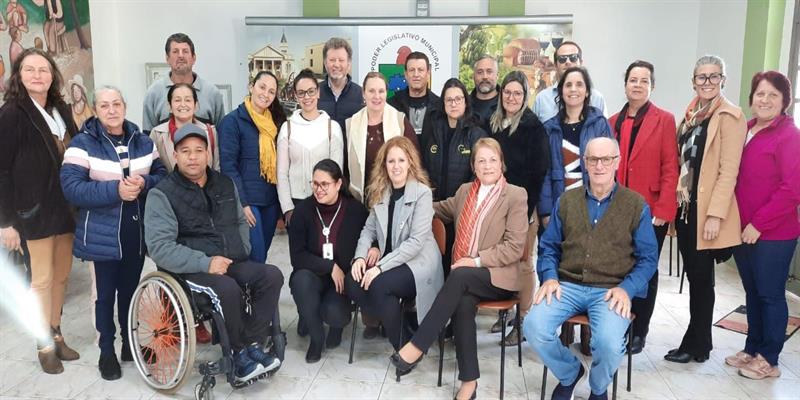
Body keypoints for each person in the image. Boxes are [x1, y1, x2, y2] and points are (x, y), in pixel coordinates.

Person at [391, 138, 530, 400]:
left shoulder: (515, 195)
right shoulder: (466, 191)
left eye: (492, 160)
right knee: (463, 301)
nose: (487, 166)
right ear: (473, 166)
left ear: (502, 163)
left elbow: (513, 247)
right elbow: (436, 208)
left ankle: (418, 345)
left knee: (460, 274)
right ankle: (469, 382)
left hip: (499, 277)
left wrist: (475, 261)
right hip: (466, 280)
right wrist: (406, 200)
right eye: (481, 160)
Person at [144, 124, 283, 383]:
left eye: (199, 150)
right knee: (227, 289)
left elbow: (241, 220)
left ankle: (252, 344)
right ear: (175, 155)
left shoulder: (224, 183)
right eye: (186, 151)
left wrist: (241, 249)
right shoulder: (161, 194)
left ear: (208, 153)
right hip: (191, 269)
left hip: (230, 260)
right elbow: (160, 248)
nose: (193, 156)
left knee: (271, 276)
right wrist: (206, 263)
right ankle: (239, 354)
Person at [523, 137, 658, 400]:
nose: (599, 165)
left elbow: (648, 258)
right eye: (593, 159)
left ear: (617, 162)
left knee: (607, 344)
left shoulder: (635, 205)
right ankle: (569, 373)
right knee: (533, 327)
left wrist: (627, 289)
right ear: (584, 163)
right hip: (568, 286)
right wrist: (549, 277)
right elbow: (549, 246)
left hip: (611, 290)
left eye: (606, 159)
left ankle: (598, 388)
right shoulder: (567, 200)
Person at [61, 86, 167, 380]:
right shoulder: (82, 143)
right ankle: (107, 349)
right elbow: (72, 188)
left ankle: (129, 345)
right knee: (105, 296)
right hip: (102, 236)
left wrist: (144, 184)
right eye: (104, 105)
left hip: (136, 232)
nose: (111, 110)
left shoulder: (143, 141)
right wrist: (116, 190)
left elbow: (162, 176)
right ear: (96, 109)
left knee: (131, 293)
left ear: (125, 106)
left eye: (116, 103)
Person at [0, 48, 79, 375]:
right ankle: (43, 343)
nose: (37, 75)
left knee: (61, 275)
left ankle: (56, 331)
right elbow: (1, 170)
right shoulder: (12, 113)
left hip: (66, 209)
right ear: (18, 75)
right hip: (33, 211)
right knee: (41, 280)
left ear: (52, 75)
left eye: (43, 70)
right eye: (30, 69)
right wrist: (5, 222)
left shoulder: (61, 108)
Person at [664, 55, 747, 364]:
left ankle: (696, 344)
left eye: (714, 77)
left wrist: (715, 215)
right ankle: (699, 343)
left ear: (723, 80)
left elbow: (729, 171)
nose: (708, 82)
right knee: (697, 278)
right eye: (702, 77)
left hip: (706, 212)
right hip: (686, 210)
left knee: (701, 280)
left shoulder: (730, 116)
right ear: (693, 81)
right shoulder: (689, 116)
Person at [725, 71, 800, 380]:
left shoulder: (789, 136)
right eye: (760, 94)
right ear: (752, 97)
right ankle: (752, 347)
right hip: (742, 229)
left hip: (773, 234)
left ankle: (769, 358)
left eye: (773, 95)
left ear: (785, 101)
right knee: (752, 292)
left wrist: (759, 223)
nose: (765, 100)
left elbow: (792, 188)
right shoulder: (747, 128)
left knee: (770, 294)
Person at [345, 136, 444, 350]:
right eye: (391, 161)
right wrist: (360, 257)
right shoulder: (381, 192)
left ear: (410, 162)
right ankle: (402, 329)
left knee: (379, 285)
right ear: (384, 165)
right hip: (390, 260)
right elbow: (368, 229)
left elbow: (416, 243)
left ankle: (403, 346)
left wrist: (379, 268)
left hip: (418, 263)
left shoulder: (422, 194)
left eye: (401, 160)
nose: (396, 166)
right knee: (352, 281)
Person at [608, 60, 679, 354]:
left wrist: (664, 210)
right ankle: (620, 324)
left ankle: (640, 331)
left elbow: (670, 167)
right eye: (633, 80)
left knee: (645, 270)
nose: (637, 85)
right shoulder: (612, 121)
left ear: (652, 86)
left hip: (651, 210)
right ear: (625, 84)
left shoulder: (664, 120)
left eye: (644, 80)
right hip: (617, 209)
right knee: (620, 267)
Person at [486, 70, 550, 342]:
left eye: (518, 93)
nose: (512, 97)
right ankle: (505, 314)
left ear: (525, 97)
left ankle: (523, 321)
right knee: (500, 262)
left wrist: (525, 211)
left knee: (523, 263)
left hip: (523, 209)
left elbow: (539, 173)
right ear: (501, 95)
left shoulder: (534, 127)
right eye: (508, 92)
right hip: (494, 207)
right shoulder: (494, 123)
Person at [288, 159, 368, 363]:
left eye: (325, 184)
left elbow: (370, 236)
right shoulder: (303, 211)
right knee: (300, 281)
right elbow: (297, 256)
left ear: (339, 184)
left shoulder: (355, 210)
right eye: (315, 183)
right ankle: (316, 338)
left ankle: (332, 325)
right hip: (313, 274)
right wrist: (329, 266)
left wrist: (373, 247)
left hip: (341, 281)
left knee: (335, 313)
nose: (319, 189)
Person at [422, 78, 487, 281]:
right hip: (435, 208)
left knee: (457, 260)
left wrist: (462, 202)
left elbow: (478, 175)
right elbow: (422, 166)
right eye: (449, 100)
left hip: (462, 209)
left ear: (466, 102)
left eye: (458, 99)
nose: (453, 104)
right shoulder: (432, 129)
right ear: (443, 103)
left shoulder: (475, 133)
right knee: (434, 257)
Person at [219, 71, 287, 263]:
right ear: (251, 86)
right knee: (254, 255)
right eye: (262, 87)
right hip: (249, 202)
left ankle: (253, 292)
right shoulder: (232, 121)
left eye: (271, 91)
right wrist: (242, 202)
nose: (266, 94)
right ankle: (247, 293)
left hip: (270, 201)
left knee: (262, 255)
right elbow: (228, 166)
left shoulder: (275, 123)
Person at [539, 67, 613, 223]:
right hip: (560, 207)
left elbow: (610, 166)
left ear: (587, 92)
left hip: (594, 206)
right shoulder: (549, 129)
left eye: (579, 84)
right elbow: (544, 173)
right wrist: (546, 212)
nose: (573, 89)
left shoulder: (599, 124)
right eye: (568, 85)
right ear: (561, 91)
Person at [277, 68, 344, 227]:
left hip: (325, 203)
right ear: (295, 95)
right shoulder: (287, 128)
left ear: (318, 92)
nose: (307, 97)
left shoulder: (332, 128)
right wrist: (288, 208)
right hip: (296, 204)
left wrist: (330, 203)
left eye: (311, 91)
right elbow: (281, 174)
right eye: (301, 92)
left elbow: (336, 172)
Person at [346, 71, 418, 204]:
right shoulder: (351, 124)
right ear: (363, 93)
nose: (376, 96)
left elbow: (414, 163)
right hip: (359, 201)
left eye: (381, 91)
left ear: (386, 93)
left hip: (393, 201)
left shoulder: (399, 121)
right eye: (371, 91)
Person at [142, 33, 224, 131]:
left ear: (194, 58)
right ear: (167, 58)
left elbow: (221, 135)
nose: (180, 56)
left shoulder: (212, 93)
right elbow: (148, 139)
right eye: (175, 51)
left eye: (185, 51)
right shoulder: (153, 94)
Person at [150, 83, 220, 173]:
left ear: (196, 106)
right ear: (169, 106)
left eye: (188, 100)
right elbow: (153, 171)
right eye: (177, 100)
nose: (183, 104)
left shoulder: (210, 131)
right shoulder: (157, 133)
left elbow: (216, 169)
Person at [533, 40, 607, 123]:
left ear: (581, 62)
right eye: (562, 59)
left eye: (573, 58)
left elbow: (604, 132)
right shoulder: (542, 99)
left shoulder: (597, 98)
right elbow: (533, 134)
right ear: (555, 65)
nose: (568, 62)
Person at [317, 37, 363, 144]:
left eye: (341, 60)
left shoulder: (361, 95)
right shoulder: (314, 93)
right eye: (332, 60)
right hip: (321, 159)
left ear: (349, 63)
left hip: (350, 159)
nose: (336, 65)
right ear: (325, 63)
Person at [388, 51, 441, 138]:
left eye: (420, 70)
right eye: (412, 70)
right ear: (405, 74)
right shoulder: (392, 106)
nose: (416, 75)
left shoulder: (440, 106)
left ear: (428, 74)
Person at [469, 55, 500, 125]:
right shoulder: (464, 104)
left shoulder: (507, 104)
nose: (485, 77)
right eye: (480, 72)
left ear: (497, 75)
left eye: (489, 72)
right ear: (473, 76)